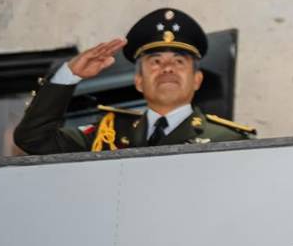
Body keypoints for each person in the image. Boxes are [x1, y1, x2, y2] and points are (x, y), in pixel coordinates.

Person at [14, 8, 254, 154]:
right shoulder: (106, 135)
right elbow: (33, 138)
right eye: (155, 62)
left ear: (197, 80)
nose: (167, 68)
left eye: (179, 61)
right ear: (139, 80)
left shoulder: (228, 141)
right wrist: (69, 75)